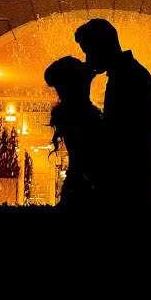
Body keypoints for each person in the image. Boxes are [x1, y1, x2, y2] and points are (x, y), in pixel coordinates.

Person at [75, 18, 151, 208]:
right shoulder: (129, 74)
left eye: (89, 52)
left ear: (103, 46)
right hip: (137, 185)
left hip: (130, 188)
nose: (88, 60)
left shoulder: (127, 78)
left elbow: (121, 134)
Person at [44, 56, 107, 209]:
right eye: (79, 66)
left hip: (79, 187)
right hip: (85, 191)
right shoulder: (81, 114)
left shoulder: (74, 111)